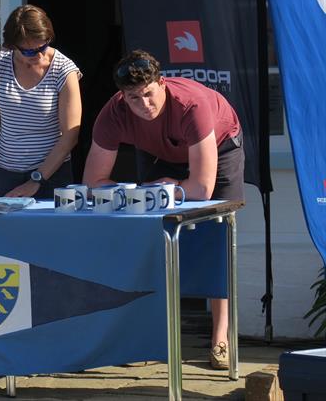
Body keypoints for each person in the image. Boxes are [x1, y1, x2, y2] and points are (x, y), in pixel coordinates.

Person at [82, 49, 244, 370]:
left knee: (217, 240)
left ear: (162, 83)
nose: (144, 105)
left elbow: (201, 189)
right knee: (150, 237)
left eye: (148, 94)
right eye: (133, 98)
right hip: (160, 154)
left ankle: (220, 338)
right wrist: (132, 193)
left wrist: (172, 188)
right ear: (121, 96)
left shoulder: (191, 105)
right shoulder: (113, 113)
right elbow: (92, 183)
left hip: (219, 147)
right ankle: (148, 338)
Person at [0, 4, 82, 199]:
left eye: (43, 46)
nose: (39, 55)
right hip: (4, 173)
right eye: (29, 51)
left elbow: (70, 135)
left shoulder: (63, 70)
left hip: (51, 174)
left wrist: (37, 180)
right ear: (12, 46)